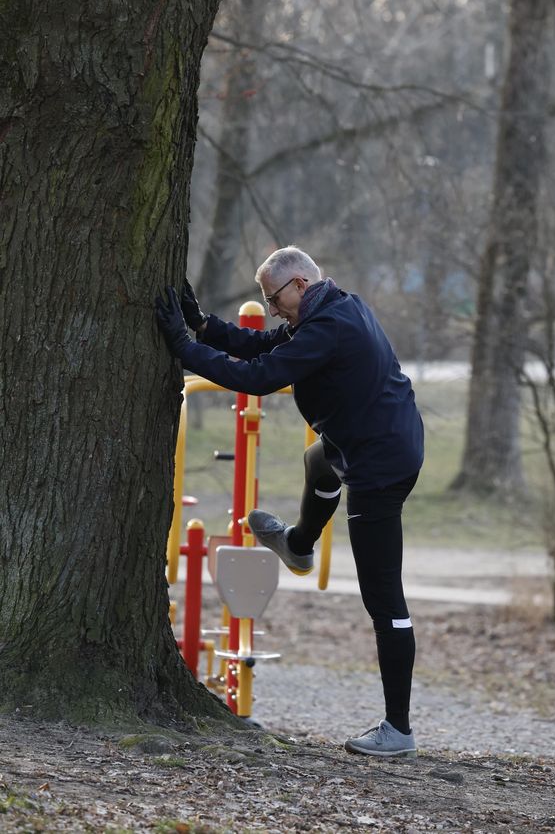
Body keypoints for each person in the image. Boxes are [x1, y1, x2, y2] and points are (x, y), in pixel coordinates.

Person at [156, 247, 424, 758]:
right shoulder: (333, 308)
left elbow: (257, 378)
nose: (273, 309)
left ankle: (398, 730)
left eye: (274, 298)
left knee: (384, 600)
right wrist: (201, 324)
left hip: (378, 468)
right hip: (375, 439)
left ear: (299, 284)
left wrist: (182, 347)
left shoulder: (327, 329)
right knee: (317, 461)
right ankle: (298, 544)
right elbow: (259, 344)